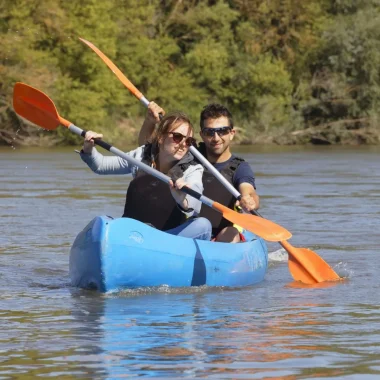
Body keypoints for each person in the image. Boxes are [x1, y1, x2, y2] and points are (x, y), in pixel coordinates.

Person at [80, 111, 212, 241]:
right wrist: (88, 149)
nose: (183, 144)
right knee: (103, 221)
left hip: (168, 238)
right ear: (160, 137)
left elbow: (196, 204)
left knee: (203, 225)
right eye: (177, 137)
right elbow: (101, 165)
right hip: (134, 234)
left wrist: (183, 200)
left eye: (188, 141)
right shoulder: (142, 154)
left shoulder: (193, 168)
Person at [138, 103, 259, 243]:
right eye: (209, 132)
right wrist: (150, 122)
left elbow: (249, 191)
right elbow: (147, 149)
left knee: (230, 233)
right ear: (202, 134)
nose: (216, 138)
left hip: (218, 236)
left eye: (222, 131)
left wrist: (248, 199)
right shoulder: (187, 153)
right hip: (185, 230)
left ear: (231, 134)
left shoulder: (239, 167)